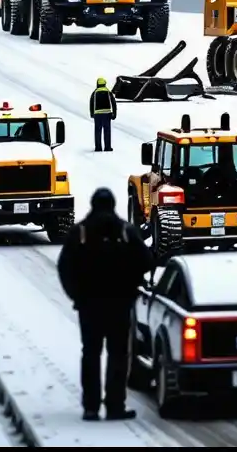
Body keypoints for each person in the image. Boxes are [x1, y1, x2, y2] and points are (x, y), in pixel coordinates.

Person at [57, 188, 154, 422]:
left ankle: (90, 407)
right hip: (120, 305)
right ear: (113, 204)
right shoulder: (125, 231)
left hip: (89, 305)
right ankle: (114, 405)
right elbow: (147, 260)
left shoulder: (79, 232)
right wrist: (131, 283)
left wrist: (76, 295)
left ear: (92, 204)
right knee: (118, 355)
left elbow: (64, 267)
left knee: (90, 354)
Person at [89, 77, 117, 153]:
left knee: (97, 131)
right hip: (107, 114)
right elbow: (113, 103)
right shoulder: (108, 92)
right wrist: (114, 113)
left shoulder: (95, 92)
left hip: (97, 114)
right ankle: (107, 147)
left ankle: (98, 147)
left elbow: (91, 103)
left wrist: (92, 113)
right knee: (107, 131)